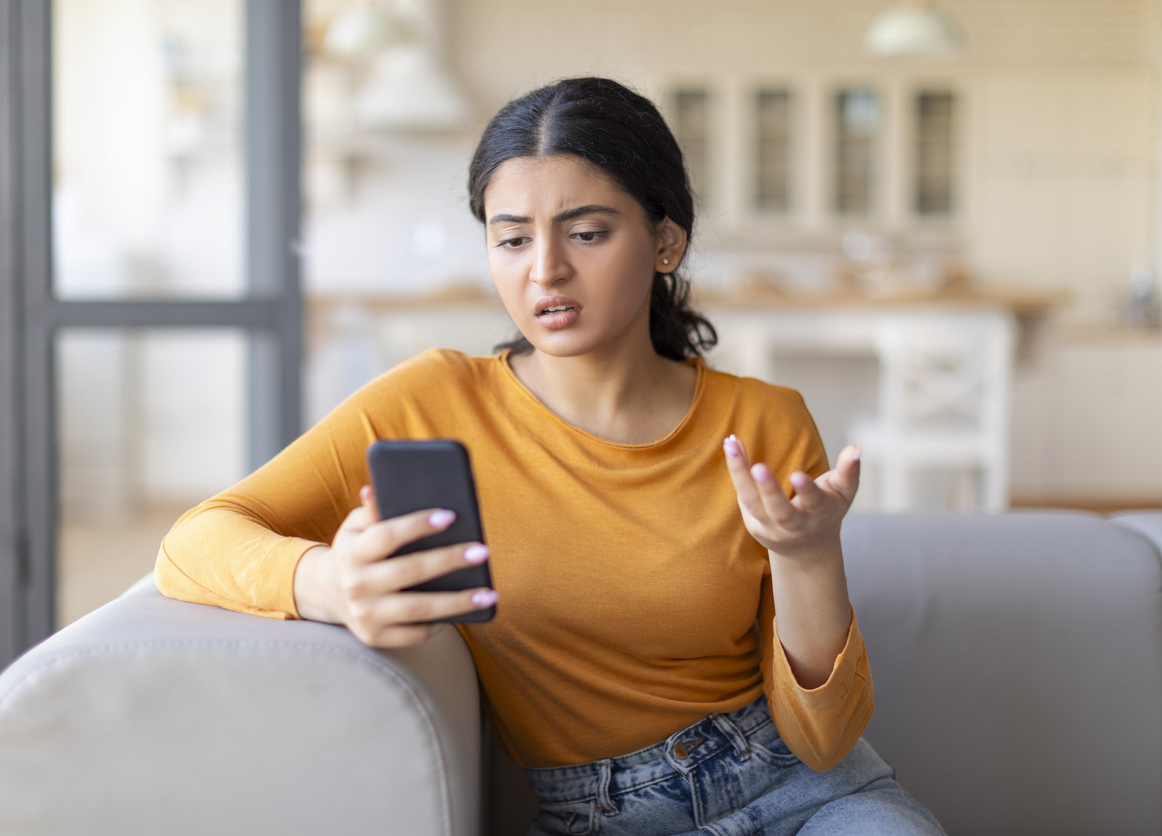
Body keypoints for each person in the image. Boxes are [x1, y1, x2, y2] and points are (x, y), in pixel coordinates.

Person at [155, 77, 945, 836]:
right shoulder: (431, 402)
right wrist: (328, 582)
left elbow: (824, 741)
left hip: (806, 794)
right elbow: (193, 540)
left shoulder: (763, 421)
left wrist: (806, 555)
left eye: (587, 233)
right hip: (598, 817)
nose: (545, 270)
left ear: (665, 241)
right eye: (512, 239)